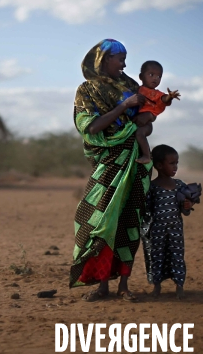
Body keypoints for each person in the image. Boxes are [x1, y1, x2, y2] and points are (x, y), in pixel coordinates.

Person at [70, 39, 151, 302]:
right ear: (104, 59)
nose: (125, 64)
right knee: (100, 222)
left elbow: (147, 124)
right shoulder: (86, 90)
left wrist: (142, 126)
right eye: (120, 58)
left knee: (129, 222)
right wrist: (123, 108)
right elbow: (91, 128)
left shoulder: (131, 87)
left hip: (135, 161)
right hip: (108, 163)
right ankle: (102, 284)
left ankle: (124, 285)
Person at [140, 144, 196, 299]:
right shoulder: (152, 187)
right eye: (172, 163)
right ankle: (156, 287)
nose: (175, 167)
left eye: (177, 163)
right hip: (156, 230)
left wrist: (187, 206)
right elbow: (147, 209)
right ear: (159, 165)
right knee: (156, 256)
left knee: (177, 256)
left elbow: (186, 211)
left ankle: (179, 287)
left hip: (176, 230)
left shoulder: (180, 185)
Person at [134, 61, 181, 164]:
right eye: (151, 75)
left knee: (140, 134)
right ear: (141, 76)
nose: (155, 78)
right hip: (135, 121)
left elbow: (163, 99)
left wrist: (170, 96)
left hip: (146, 125)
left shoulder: (155, 93)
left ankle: (146, 156)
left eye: (159, 76)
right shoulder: (135, 89)